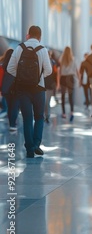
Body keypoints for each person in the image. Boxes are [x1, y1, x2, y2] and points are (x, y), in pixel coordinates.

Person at [7, 25, 53, 157]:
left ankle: (29, 149)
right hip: (38, 89)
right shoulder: (43, 50)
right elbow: (49, 71)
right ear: (40, 36)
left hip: (22, 89)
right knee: (39, 117)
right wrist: (38, 77)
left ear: (28, 35)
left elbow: (10, 69)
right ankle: (36, 144)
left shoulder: (19, 48)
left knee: (27, 118)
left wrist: (22, 77)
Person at [58, 46, 81, 121]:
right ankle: (71, 112)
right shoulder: (74, 59)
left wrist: (58, 83)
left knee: (63, 96)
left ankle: (64, 113)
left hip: (63, 78)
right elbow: (77, 71)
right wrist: (79, 80)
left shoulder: (61, 59)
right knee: (71, 96)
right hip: (71, 78)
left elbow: (59, 72)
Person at [0, 49, 20, 132]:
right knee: (15, 106)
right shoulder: (18, 65)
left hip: (7, 89)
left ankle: (11, 123)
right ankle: (13, 124)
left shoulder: (2, 66)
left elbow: (0, 79)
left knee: (9, 107)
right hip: (17, 89)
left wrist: (1, 89)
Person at [44, 50, 58, 122]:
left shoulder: (42, 62)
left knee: (44, 100)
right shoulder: (53, 62)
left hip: (43, 83)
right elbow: (55, 74)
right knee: (48, 101)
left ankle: (44, 115)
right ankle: (47, 115)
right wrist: (56, 83)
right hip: (50, 84)